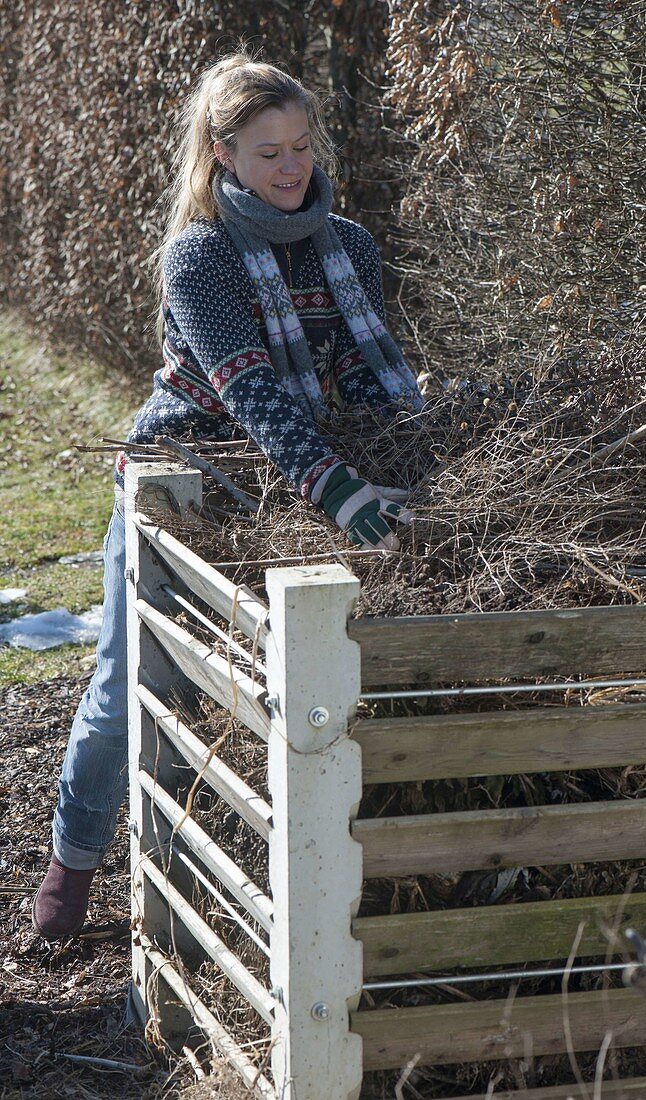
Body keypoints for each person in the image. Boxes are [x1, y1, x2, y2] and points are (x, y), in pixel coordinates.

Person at [31, 48, 423, 940]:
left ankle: (231, 884)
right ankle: (71, 872)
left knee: (278, 687)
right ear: (223, 156)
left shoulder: (348, 246)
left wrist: (400, 464)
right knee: (133, 682)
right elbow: (252, 393)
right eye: (267, 151)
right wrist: (342, 493)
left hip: (293, 486)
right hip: (184, 482)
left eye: (300, 146)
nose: (292, 167)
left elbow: (363, 383)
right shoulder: (199, 256)